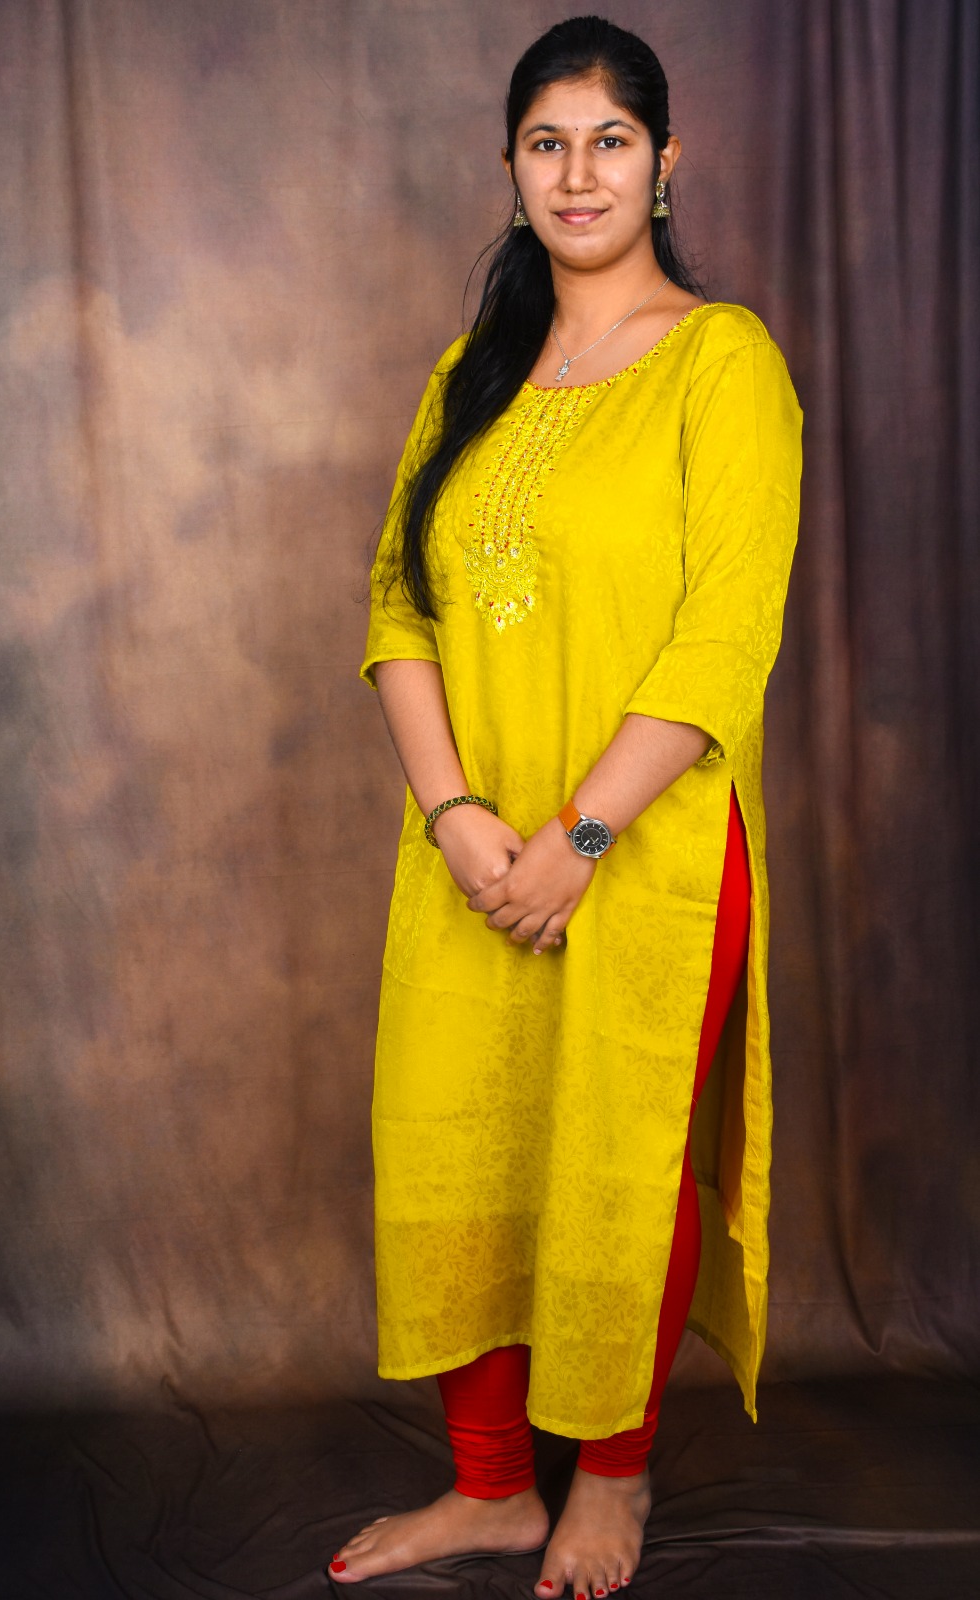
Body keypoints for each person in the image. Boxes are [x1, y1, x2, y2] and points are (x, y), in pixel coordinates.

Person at [330, 15, 803, 1598]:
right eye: (547, 142)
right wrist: (457, 816)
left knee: (616, 1158)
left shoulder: (721, 360)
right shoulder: (470, 374)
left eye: (609, 140)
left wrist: (581, 835)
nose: (577, 172)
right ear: (511, 167)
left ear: (663, 164)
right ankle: (488, 1490)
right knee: (456, 1144)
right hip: (468, 855)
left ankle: (611, 1475)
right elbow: (397, 606)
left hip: (645, 855)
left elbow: (723, 635)